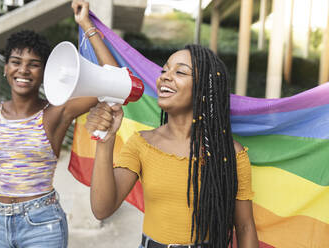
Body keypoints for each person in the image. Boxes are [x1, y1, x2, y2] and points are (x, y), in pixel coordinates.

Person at [77, 1, 259, 247]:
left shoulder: (230, 154)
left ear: (204, 90)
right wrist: (105, 142)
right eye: (164, 70)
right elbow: (102, 209)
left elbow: (245, 227)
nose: (165, 76)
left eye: (180, 72)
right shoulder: (143, 144)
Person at [0, 3, 118, 246]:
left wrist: (87, 25)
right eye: (15, 61)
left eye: (34, 64)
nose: (23, 69)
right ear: (5, 68)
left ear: (45, 71)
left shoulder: (57, 112)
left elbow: (115, 82)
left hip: (41, 225)